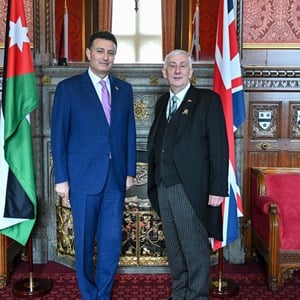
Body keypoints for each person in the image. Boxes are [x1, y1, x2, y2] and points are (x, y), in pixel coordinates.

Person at [51, 31, 136, 300]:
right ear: (88, 53)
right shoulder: (68, 88)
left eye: (111, 52)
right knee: (85, 243)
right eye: (100, 51)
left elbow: (129, 134)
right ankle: (89, 295)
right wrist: (61, 179)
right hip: (82, 179)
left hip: (115, 179)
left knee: (111, 244)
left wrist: (130, 171)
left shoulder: (125, 89)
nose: (105, 57)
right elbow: (58, 137)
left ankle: (103, 293)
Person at [147, 49, 229, 300]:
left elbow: (219, 146)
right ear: (164, 72)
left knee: (194, 250)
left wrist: (217, 188)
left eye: (183, 65)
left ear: (191, 72)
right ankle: (180, 294)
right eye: (172, 66)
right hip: (163, 187)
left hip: (189, 188)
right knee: (174, 249)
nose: (177, 70)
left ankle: (197, 296)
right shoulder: (162, 102)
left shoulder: (207, 100)